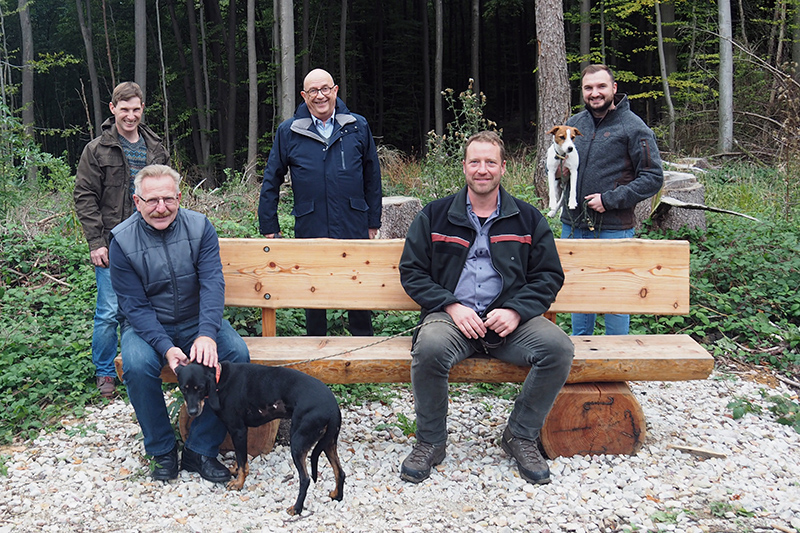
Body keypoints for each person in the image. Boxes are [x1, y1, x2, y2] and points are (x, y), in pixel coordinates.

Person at [398, 131, 574, 485]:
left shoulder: (527, 219)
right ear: (464, 167)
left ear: (503, 168)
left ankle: (520, 435)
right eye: (475, 162)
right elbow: (412, 272)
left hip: (508, 322)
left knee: (558, 348)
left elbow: (548, 276)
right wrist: (450, 305)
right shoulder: (435, 215)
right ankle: (431, 442)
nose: (482, 169)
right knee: (429, 347)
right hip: (453, 320)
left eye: (490, 162)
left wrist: (517, 311)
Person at [109, 164, 250, 482]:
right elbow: (133, 305)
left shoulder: (200, 227)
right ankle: (161, 450)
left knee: (236, 356)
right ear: (137, 201)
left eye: (168, 199)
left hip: (195, 320)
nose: (161, 208)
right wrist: (166, 347)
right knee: (135, 363)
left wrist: (206, 333)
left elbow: (213, 283)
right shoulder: (121, 240)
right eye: (152, 201)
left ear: (179, 197)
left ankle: (199, 450)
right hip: (145, 327)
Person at [258, 68, 382, 337]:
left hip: (353, 220)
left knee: (356, 284)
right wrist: (269, 225)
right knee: (312, 289)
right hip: (310, 221)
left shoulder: (357, 126)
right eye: (313, 91)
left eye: (325, 89)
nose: (320, 96)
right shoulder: (289, 131)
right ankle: (316, 347)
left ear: (335, 90)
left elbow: (373, 176)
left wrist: (373, 220)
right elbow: (271, 179)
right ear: (304, 95)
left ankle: (363, 349)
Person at [74, 81, 170, 398]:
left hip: (153, 241)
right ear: (113, 109)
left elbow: (165, 196)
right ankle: (104, 372)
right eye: (124, 109)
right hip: (113, 243)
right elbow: (85, 197)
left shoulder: (156, 148)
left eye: (136, 109)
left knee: (149, 306)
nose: (130, 116)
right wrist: (96, 242)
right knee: (109, 311)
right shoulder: (96, 150)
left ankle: (141, 364)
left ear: (142, 109)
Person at [561, 64, 664, 335]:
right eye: (588, 88)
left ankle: (615, 367)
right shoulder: (574, 125)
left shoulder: (633, 127)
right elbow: (561, 166)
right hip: (573, 224)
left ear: (614, 89)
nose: (595, 93)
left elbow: (653, 177)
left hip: (613, 227)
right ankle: (580, 365)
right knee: (578, 296)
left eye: (601, 87)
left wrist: (610, 199)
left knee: (616, 300)